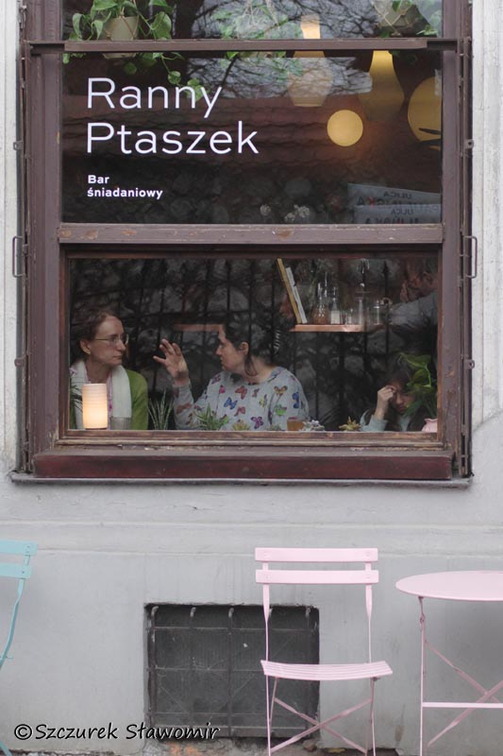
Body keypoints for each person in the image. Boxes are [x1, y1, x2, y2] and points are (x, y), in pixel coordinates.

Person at [154, 313, 310, 431]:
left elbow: (288, 450)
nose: (217, 351)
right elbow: (189, 430)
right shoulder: (219, 382)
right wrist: (181, 380)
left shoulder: (284, 387)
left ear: (243, 348)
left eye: (222, 344)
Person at [70, 309, 148, 430]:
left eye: (123, 338)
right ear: (86, 346)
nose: (122, 347)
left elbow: (137, 437)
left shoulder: (135, 383)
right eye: (112, 339)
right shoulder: (67, 384)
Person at [359, 361, 434, 432]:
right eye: (393, 393)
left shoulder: (432, 417)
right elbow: (367, 441)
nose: (399, 401)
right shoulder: (370, 417)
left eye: (406, 393)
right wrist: (380, 411)